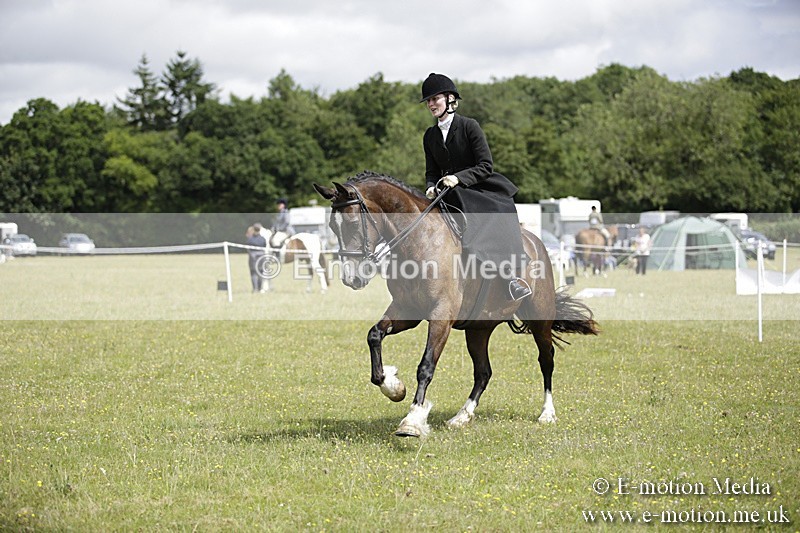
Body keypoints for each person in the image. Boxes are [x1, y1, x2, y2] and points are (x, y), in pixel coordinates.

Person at [421, 73, 531, 301]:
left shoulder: (469, 126)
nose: (431, 104)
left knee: (493, 216)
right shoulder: (430, 135)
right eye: (428, 101)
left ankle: (510, 277)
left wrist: (458, 178)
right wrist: (431, 185)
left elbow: (485, 166)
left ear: (450, 99)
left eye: (435, 99)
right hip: (447, 192)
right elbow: (431, 170)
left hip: (477, 188)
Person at [246, 224, 268, 292]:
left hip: (253, 257)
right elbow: (265, 246)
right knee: (260, 272)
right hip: (261, 256)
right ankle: (259, 288)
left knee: (253, 273)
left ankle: (255, 288)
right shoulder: (263, 239)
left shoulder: (250, 239)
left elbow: (248, 247)